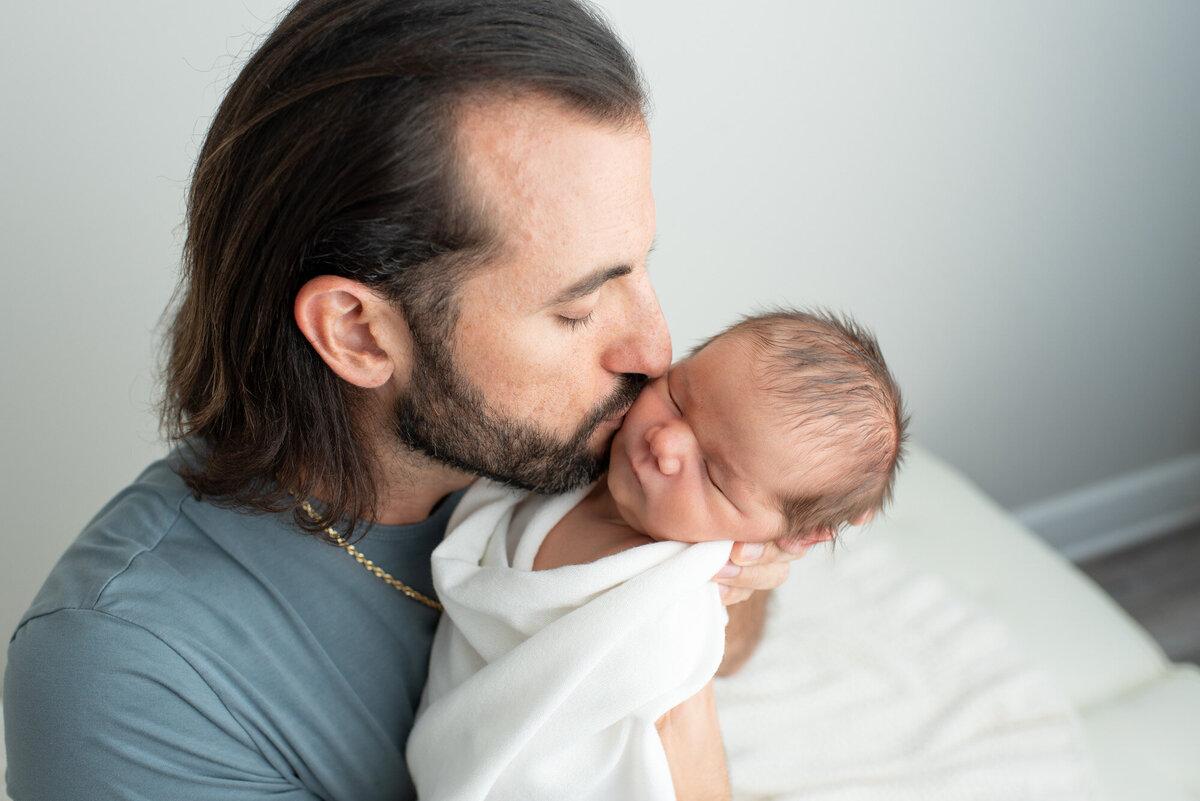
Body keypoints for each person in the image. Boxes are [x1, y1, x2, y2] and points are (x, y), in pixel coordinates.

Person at [3, 2, 799, 799]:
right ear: (358, 332)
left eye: (638, 265)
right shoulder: (126, 679)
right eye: (577, 309)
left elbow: (729, 625)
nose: (654, 351)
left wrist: (722, 565)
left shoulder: (581, 438)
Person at [408, 309, 908, 801]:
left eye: (714, 474)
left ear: (794, 539)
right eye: (677, 397)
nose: (664, 442)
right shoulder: (574, 461)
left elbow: (681, 763)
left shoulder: (669, 608)